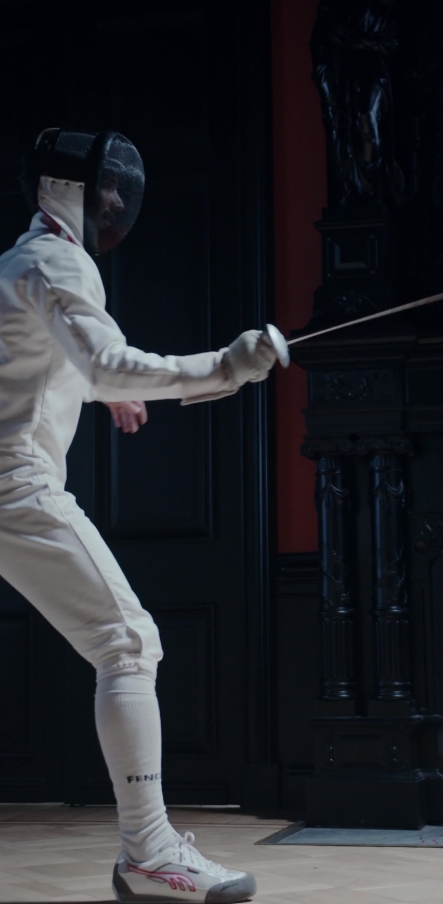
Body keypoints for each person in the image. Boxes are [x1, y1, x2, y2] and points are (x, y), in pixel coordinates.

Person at [0, 128, 275, 903]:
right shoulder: (56, 261)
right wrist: (226, 367)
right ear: (67, 192)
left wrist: (101, 389)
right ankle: (149, 854)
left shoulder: (23, 261)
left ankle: (148, 854)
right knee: (127, 641)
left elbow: (46, 365)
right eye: (107, 189)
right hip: (14, 483)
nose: (118, 202)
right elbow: (105, 361)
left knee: (122, 643)